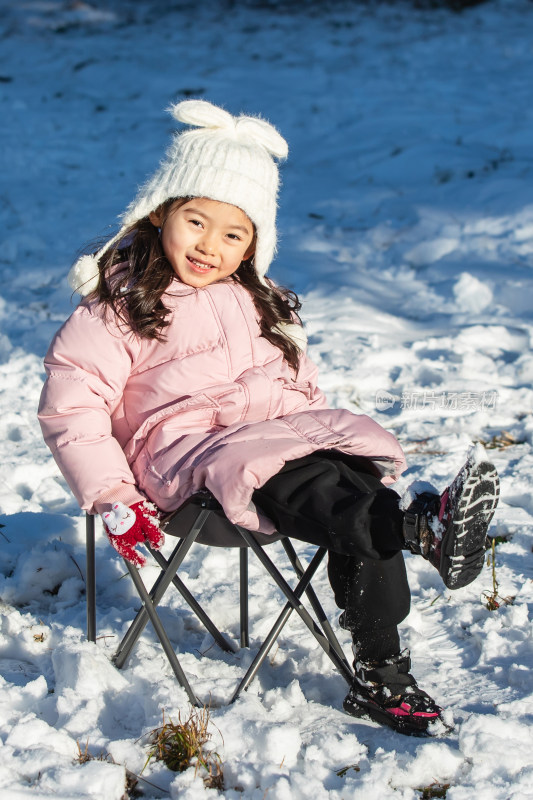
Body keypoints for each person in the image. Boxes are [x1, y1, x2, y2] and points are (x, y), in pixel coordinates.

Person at [38, 100, 500, 736]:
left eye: (234, 234)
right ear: (160, 211)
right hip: (188, 462)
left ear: (256, 241)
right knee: (313, 486)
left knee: (358, 487)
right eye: (196, 221)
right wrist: (112, 494)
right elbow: (74, 405)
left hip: (272, 442)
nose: (210, 245)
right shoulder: (118, 303)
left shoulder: (264, 302)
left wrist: (321, 436)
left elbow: (299, 388)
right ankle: (417, 529)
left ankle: (384, 670)